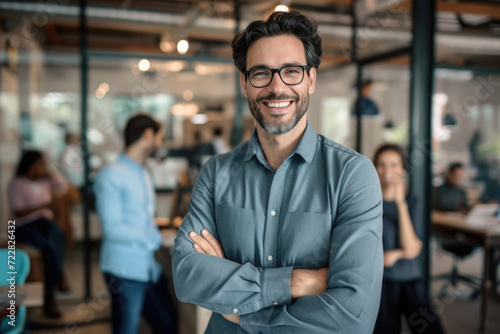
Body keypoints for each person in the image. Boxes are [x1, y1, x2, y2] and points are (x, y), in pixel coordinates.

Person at [173, 11, 384, 333]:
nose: (276, 87)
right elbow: (188, 276)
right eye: (260, 74)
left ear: (311, 79)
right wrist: (297, 281)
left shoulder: (352, 175)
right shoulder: (216, 173)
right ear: (245, 84)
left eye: (291, 72)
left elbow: (352, 317)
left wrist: (243, 312)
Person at [94, 114, 177, 334]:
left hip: (148, 268)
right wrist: (159, 238)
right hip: (124, 270)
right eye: (160, 137)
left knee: (168, 324)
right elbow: (113, 229)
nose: (161, 143)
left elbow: (143, 218)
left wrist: (162, 234)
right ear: (148, 136)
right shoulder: (111, 175)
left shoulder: (143, 172)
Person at [372, 144, 445, 334]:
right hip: (381, 280)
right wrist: (402, 252)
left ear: (403, 168)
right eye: (381, 164)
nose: (388, 170)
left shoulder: (412, 201)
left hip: (409, 277)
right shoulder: (368, 201)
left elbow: (412, 247)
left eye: (394, 165)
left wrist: (400, 203)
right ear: (374, 167)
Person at [7, 150, 69, 318]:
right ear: (30, 165)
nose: (42, 168)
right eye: (39, 164)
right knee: (49, 248)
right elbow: (18, 212)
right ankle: (53, 290)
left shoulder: (44, 181)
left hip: (44, 225)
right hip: (23, 227)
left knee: (57, 235)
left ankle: (57, 280)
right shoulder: (17, 184)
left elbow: (63, 187)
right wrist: (43, 208)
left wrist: (50, 175)